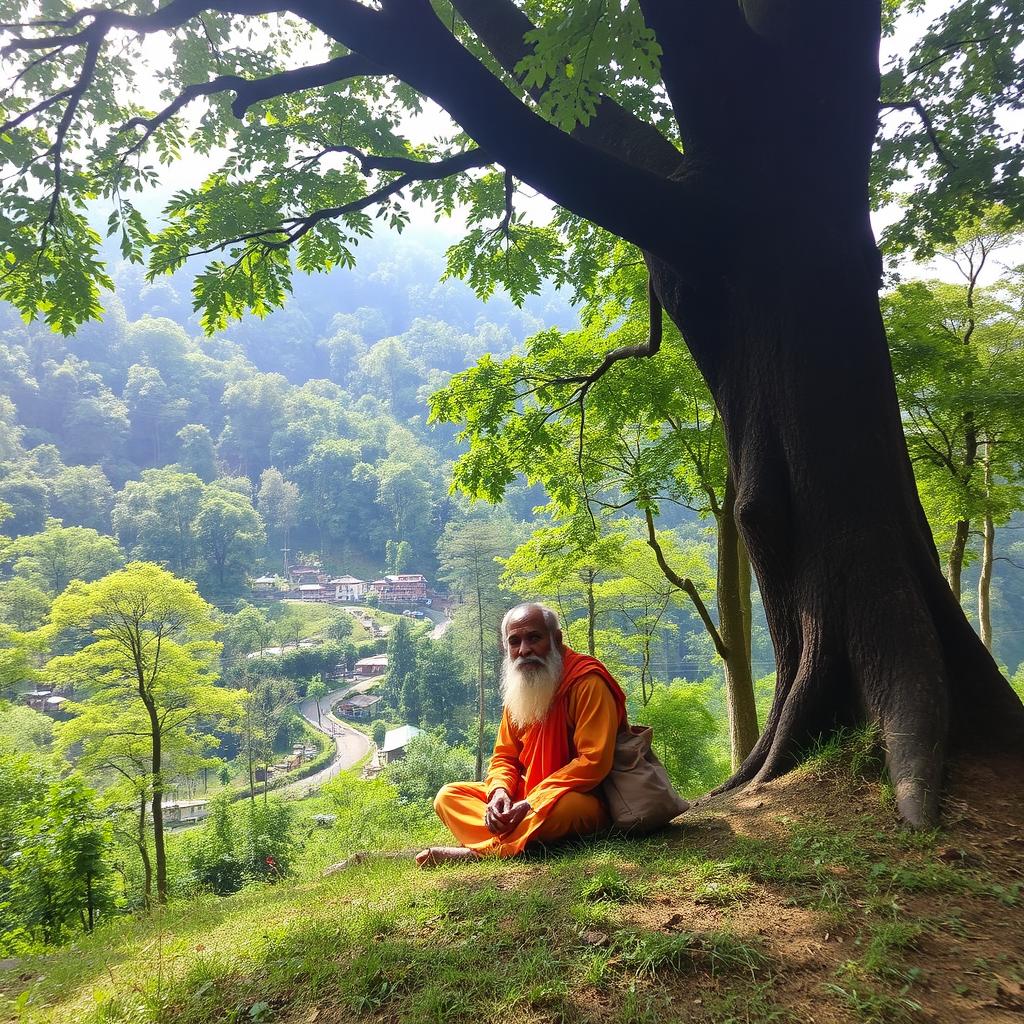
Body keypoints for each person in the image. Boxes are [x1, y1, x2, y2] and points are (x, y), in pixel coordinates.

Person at [416, 602, 626, 867]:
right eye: (514, 642)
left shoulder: (587, 682)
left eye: (534, 638)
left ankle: (480, 853)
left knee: (563, 809)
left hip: (580, 799)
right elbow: (505, 756)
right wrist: (500, 793)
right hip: (526, 796)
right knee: (448, 796)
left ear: (556, 639)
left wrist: (532, 801)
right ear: (506, 648)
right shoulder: (520, 688)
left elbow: (593, 763)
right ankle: (516, 838)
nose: (524, 650)